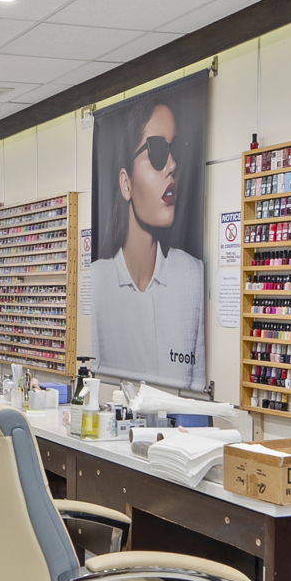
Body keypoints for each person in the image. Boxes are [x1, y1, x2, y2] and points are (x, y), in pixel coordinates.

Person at [89, 96, 204, 389]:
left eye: (174, 150)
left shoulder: (192, 275)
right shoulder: (98, 280)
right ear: (126, 183)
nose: (172, 165)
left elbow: (199, 381)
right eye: (157, 151)